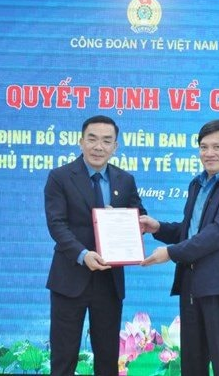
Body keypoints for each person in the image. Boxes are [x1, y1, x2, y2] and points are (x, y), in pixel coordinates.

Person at [140, 119, 219, 376]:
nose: (209, 153)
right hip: (192, 284)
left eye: (217, 147)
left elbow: (216, 234)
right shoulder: (198, 184)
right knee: (192, 363)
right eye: (204, 147)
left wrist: (170, 253)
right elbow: (191, 231)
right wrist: (158, 228)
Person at [44, 115, 146, 376]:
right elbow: (57, 225)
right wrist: (82, 254)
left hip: (109, 282)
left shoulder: (125, 180)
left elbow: (139, 218)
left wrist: (123, 219)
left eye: (106, 141)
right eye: (92, 139)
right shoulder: (60, 177)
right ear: (81, 142)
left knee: (108, 359)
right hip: (70, 278)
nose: (98, 146)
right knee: (63, 358)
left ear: (115, 146)